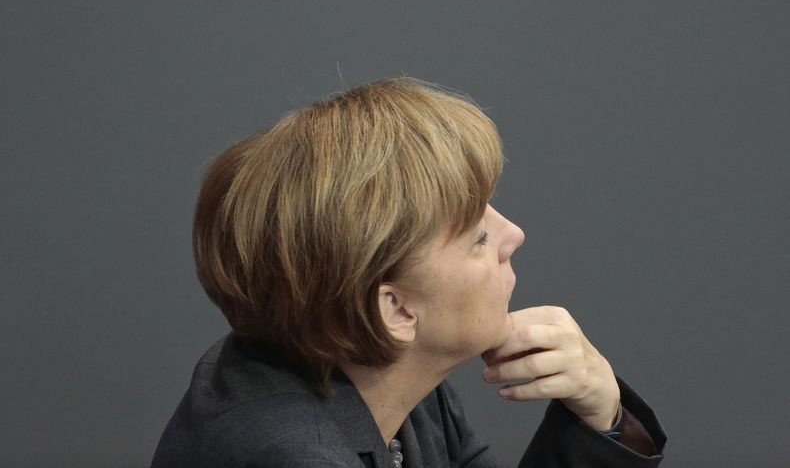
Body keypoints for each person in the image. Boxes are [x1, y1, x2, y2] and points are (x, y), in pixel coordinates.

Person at [151, 77, 667, 467]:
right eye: (478, 237)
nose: (513, 235)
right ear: (396, 309)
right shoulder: (290, 453)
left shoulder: (385, 377)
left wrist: (602, 416)